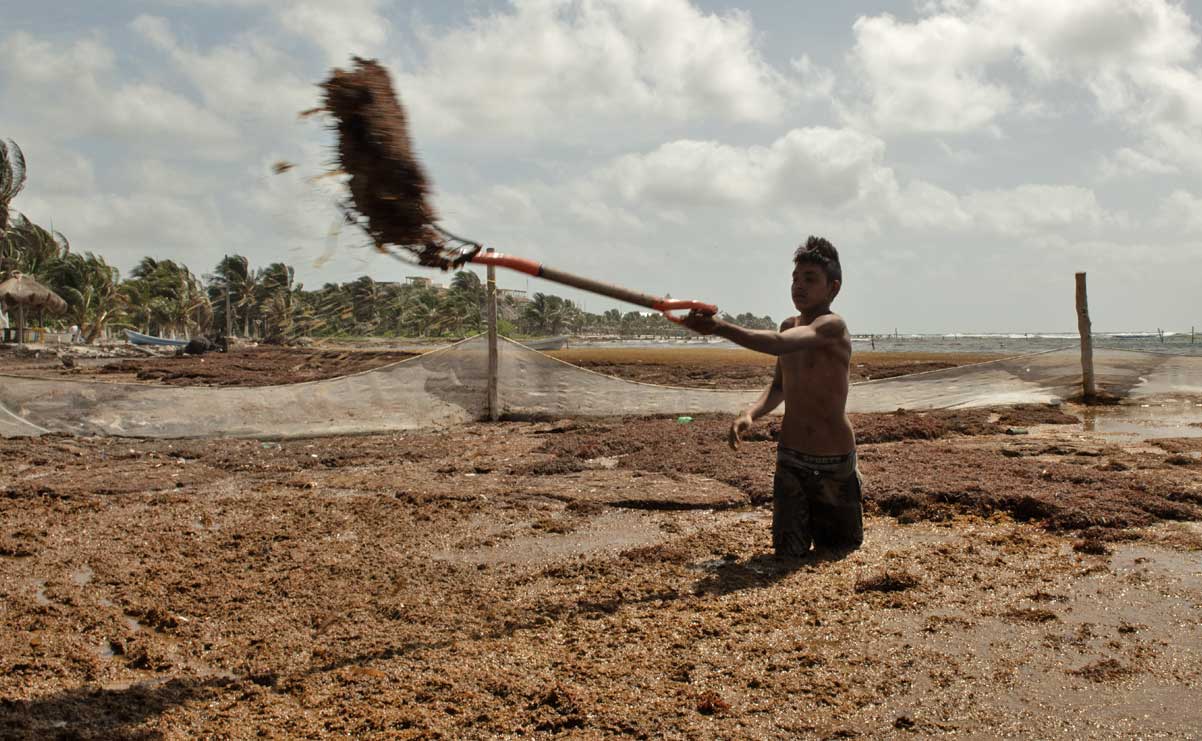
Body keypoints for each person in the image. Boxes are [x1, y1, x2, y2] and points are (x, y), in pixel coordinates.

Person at [680, 236, 862, 558]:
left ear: (833, 288)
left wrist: (719, 328)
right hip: (791, 458)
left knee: (839, 551)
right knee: (787, 552)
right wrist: (750, 412)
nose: (798, 286)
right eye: (794, 278)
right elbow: (779, 386)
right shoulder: (788, 325)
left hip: (833, 461)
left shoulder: (833, 326)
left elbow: (778, 343)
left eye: (809, 279)